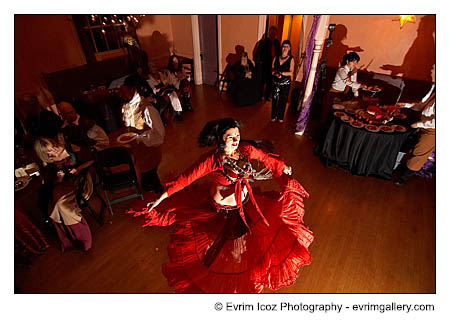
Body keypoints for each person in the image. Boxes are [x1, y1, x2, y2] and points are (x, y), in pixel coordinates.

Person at [129, 118, 313, 293]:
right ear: (220, 139)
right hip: (221, 211)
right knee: (221, 244)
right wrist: (161, 198)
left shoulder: (245, 150)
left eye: (237, 135)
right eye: (230, 137)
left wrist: (283, 167)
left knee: (246, 240)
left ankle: (243, 268)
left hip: (245, 204)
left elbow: (266, 158)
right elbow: (185, 179)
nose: (235, 140)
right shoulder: (211, 160)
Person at [34, 134, 94, 252]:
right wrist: (59, 178)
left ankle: (83, 238)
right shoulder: (47, 163)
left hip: (81, 180)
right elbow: (54, 183)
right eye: (49, 152)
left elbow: (91, 159)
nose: (54, 152)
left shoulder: (69, 148)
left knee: (61, 206)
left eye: (53, 147)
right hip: (64, 186)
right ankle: (69, 239)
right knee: (54, 206)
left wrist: (78, 169)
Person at [119, 75, 166, 192]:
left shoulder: (147, 109)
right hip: (139, 154)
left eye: (124, 90)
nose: (121, 94)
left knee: (150, 183)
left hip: (149, 153)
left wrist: (139, 138)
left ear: (132, 89)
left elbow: (159, 134)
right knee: (147, 181)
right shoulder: (126, 107)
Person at [395, 83, 435, 186]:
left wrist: (419, 124)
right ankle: (402, 169)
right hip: (424, 127)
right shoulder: (435, 94)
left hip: (432, 131)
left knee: (419, 154)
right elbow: (422, 106)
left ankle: (403, 178)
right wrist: (406, 105)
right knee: (412, 148)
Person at [320, 52, 366, 126]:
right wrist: (360, 86)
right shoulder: (342, 70)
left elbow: (354, 82)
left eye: (356, 62)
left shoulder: (354, 70)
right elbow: (347, 82)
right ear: (347, 61)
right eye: (353, 61)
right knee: (327, 115)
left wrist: (356, 95)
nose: (354, 64)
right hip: (333, 93)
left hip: (343, 94)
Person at [254, 26, 281, 102]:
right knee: (262, 81)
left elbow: (279, 54)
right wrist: (258, 64)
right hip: (264, 65)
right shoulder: (263, 42)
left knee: (270, 81)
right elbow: (258, 53)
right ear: (269, 33)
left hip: (273, 65)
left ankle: (267, 96)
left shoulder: (277, 43)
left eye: (274, 33)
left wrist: (278, 65)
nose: (273, 34)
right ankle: (259, 96)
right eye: (271, 32)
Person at [271, 40, 295, 122]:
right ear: (281, 47)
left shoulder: (291, 59)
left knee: (283, 100)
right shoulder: (276, 57)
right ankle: (273, 115)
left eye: (287, 47)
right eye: (284, 46)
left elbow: (291, 72)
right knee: (274, 99)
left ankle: (280, 117)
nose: (285, 48)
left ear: (289, 48)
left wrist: (281, 73)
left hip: (285, 83)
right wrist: (275, 73)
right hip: (275, 82)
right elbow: (272, 68)